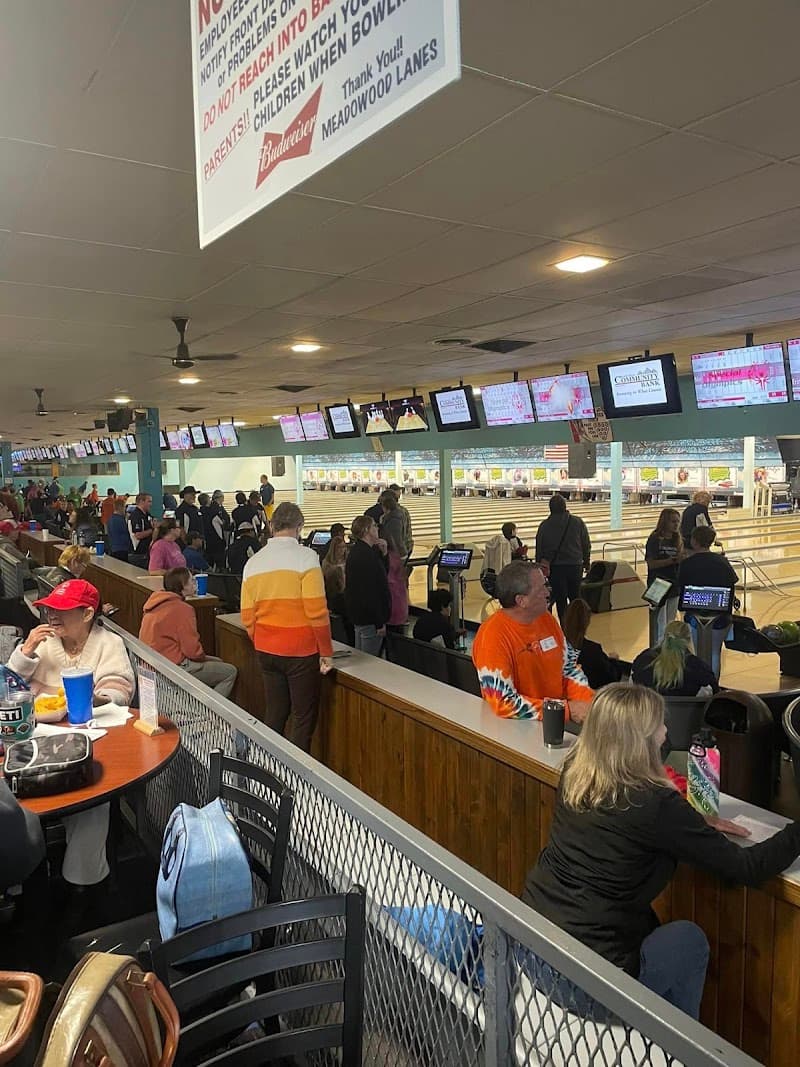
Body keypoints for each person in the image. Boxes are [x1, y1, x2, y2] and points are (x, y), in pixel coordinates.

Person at [521, 684, 800, 1020]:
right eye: (659, 725)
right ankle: (680, 1047)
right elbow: (746, 867)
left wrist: (689, 823)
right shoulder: (654, 803)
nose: (666, 732)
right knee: (689, 940)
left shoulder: (576, 773)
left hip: (532, 946)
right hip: (587, 984)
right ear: (639, 740)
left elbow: (623, 826)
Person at [8, 580, 135, 888]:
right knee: (15, 801)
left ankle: (82, 883)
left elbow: (119, 689)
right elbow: (10, 686)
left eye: (62, 610)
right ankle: (22, 878)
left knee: (92, 800)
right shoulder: (43, 644)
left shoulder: (109, 643)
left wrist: (95, 698)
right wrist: (26, 651)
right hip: (35, 744)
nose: (52, 615)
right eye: (49, 608)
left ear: (88, 613)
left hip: (90, 742)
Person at [241, 502, 333, 752]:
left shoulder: (254, 562)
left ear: (272, 526)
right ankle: (295, 778)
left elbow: (247, 615)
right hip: (300, 652)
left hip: (266, 651)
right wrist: (325, 651)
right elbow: (316, 611)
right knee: (303, 717)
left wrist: (261, 639)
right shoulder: (307, 558)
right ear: (299, 527)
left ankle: (268, 768)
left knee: (276, 712)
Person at [472, 560, 593, 720]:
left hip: (554, 720)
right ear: (521, 601)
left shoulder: (547, 620)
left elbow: (568, 668)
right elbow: (503, 702)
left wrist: (588, 701)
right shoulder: (493, 636)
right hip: (517, 729)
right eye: (541, 588)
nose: (548, 592)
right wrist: (567, 710)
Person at [140, 567, 237, 698]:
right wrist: (204, 657)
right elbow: (192, 651)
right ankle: (208, 712)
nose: (194, 583)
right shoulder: (183, 609)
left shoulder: (154, 603)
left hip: (151, 664)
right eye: (191, 580)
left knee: (217, 661)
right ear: (183, 587)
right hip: (173, 666)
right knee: (229, 671)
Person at [535, 494, 591, 621]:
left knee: (561, 600)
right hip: (575, 566)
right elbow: (586, 544)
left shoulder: (544, 525)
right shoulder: (577, 522)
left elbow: (539, 548)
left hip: (556, 568)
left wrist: (539, 569)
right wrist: (586, 562)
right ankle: (577, 626)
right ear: (565, 506)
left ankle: (564, 628)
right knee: (576, 598)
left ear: (550, 508)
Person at [632, 620, 719, 696]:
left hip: (649, 714)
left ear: (665, 637)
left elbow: (631, 688)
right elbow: (715, 694)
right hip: (687, 715)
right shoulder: (700, 669)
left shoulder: (643, 661)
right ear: (688, 639)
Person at [345, 515, 391, 656]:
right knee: (368, 664)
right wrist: (379, 622)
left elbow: (379, 577)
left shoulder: (360, 551)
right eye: (374, 526)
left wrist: (384, 555)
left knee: (361, 659)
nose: (377, 529)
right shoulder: (366, 556)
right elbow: (371, 592)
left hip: (360, 617)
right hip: (370, 620)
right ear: (367, 530)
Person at [562, 598, 630, 688]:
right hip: (593, 694)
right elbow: (611, 678)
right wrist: (614, 660)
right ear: (587, 621)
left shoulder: (557, 647)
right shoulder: (593, 650)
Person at [644, 508, 683, 640]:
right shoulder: (654, 539)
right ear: (664, 522)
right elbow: (651, 564)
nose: (676, 524)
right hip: (658, 585)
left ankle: (668, 649)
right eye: (673, 521)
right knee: (660, 622)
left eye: (678, 521)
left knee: (670, 622)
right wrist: (672, 561)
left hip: (674, 584)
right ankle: (659, 650)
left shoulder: (677, 539)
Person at [201, 489, 230, 569]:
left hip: (209, 537)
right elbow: (223, 522)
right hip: (217, 538)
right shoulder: (215, 510)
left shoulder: (208, 510)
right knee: (219, 558)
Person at [127, 492, 154, 559]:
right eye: (149, 502)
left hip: (146, 551)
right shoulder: (136, 516)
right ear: (142, 501)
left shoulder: (147, 514)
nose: (151, 504)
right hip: (138, 554)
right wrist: (152, 530)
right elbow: (138, 535)